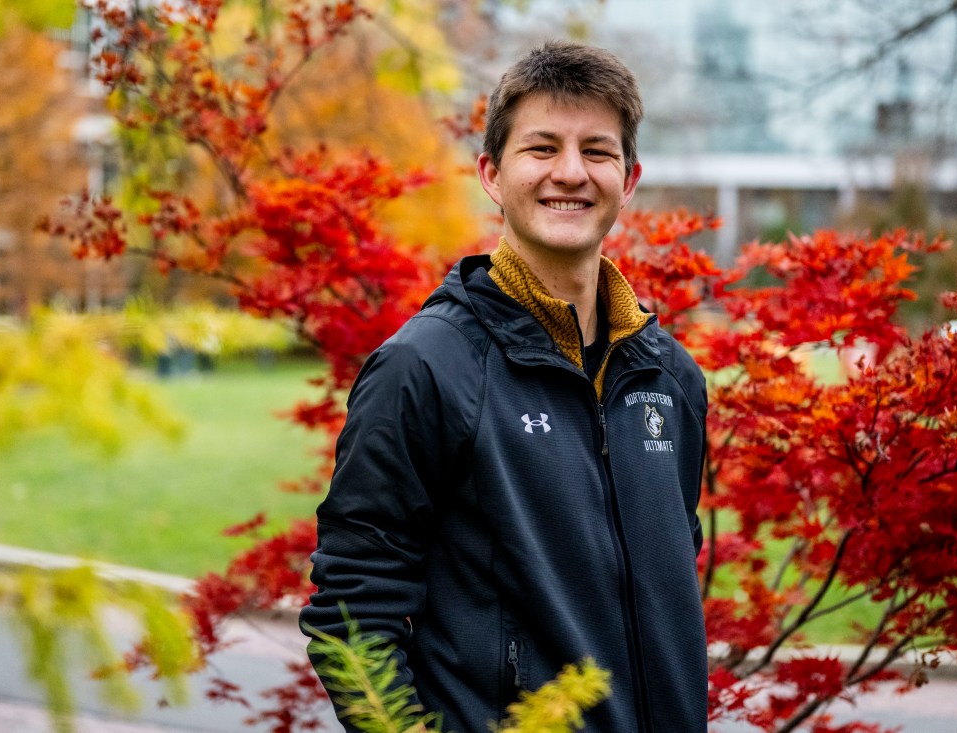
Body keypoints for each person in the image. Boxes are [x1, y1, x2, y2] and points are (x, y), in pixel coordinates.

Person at [300, 41, 708, 733]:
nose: (571, 173)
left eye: (598, 151)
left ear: (629, 178)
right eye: (542, 148)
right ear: (491, 173)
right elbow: (351, 614)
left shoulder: (670, 379)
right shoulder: (425, 368)